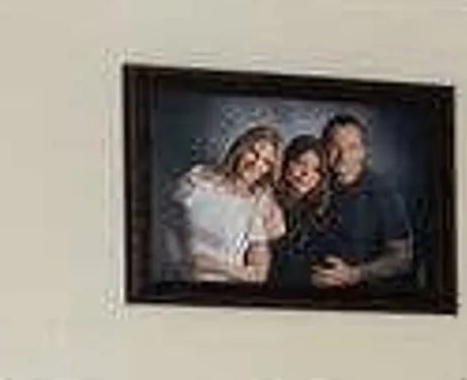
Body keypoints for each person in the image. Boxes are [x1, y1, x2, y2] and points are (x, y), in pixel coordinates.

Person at [302, 111, 417, 290]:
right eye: (334, 147)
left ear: (363, 151)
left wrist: (354, 275)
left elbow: (404, 259)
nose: (343, 156)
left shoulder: (383, 192)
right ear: (323, 148)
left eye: (352, 147)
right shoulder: (314, 182)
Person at [176, 122, 284, 284]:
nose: (256, 164)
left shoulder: (256, 204)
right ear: (240, 148)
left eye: (266, 162)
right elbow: (164, 221)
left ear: (269, 170)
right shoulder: (198, 177)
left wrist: (212, 265)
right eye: (253, 153)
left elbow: (258, 275)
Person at [269, 133, 337, 280]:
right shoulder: (267, 200)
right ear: (286, 163)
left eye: (316, 169)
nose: (306, 174)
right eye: (301, 163)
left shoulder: (323, 211)